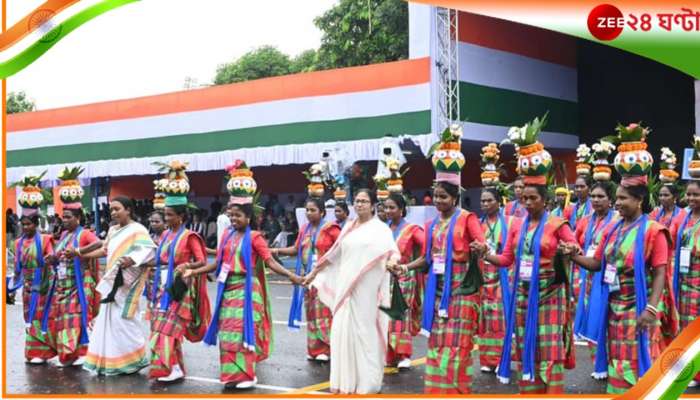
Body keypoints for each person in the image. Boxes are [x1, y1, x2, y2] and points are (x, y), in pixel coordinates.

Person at [566, 123, 677, 394]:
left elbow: (661, 272)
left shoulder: (653, 231)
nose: (616, 203)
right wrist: (574, 255)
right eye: (616, 198)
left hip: (639, 309)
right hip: (612, 307)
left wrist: (651, 310)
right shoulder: (612, 229)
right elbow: (598, 264)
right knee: (618, 365)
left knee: (640, 367)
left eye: (622, 199)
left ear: (639, 200)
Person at [473, 116, 578, 394]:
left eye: (533, 198)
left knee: (549, 352)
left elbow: (574, 247)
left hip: (550, 294)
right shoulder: (517, 225)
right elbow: (506, 260)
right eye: (524, 198)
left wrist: (570, 251)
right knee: (526, 349)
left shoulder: (558, 224)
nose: (528, 203)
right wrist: (486, 253)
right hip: (522, 293)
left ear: (546, 199)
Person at [202, 160, 303, 389]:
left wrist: (292, 276)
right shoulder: (227, 236)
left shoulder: (255, 237)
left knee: (241, 333)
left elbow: (270, 262)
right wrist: (193, 269)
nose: (233, 219)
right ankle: (230, 375)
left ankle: (246, 375)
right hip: (227, 291)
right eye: (231, 215)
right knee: (227, 332)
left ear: (248, 217)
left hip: (248, 291)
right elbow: (217, 263)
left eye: (237, 215)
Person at [304, 189, 400, 394]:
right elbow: (333, 254)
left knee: (365, 334)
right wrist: (314, 272)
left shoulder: (380, 229)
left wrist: (392, 264)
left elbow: (392, 253)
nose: (360, 205)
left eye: (364, 201)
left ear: (374, 205)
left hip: (368, 289)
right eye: (357, 201)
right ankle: (346, 382)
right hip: (345, 288)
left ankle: (368, 382)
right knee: (342, 330)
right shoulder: (348, 227)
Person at [147, 162, 211, 382]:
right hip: (161, 288)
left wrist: (187, 267)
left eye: (169, 215)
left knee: (167, 330)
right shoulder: (164, 236)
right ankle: (174, 367)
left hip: (179, 289)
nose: (166, 219)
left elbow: (202, 261)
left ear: (181, 217)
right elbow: (157, 260)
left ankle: (171, 367)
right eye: (165, 214)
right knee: (160, 328)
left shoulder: (189, 237)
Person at [79, 196, 157, 375]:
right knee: (110, 321)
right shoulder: (113, 230)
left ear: (128, 210)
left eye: (117, 209)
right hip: (111, 279)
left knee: (125, 320)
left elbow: (148, 251)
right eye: (111, 209)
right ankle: (112, 361)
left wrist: (132, 259)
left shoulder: (138, 230)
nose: (113, 213)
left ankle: (134, 359)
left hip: (127, 282)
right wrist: (82, 255)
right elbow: (104, 250)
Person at [44, 169, 103, 367]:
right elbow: (60, 257)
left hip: (79, 284)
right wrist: (52, 258)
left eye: (68, 217)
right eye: (63, 216)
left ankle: (82, 352)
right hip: (63, 284)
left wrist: (78, 252)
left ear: (78, 217)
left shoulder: (84, 233)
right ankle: (69, 353)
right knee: (64, 319)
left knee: (78, 318)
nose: (65, 220)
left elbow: (99, 244)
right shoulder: (63, 236)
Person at [272, 197, 340, 361]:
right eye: (307, 210)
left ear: (322, 212)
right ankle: (315, 349)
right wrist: (276, 251)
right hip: (307, 276)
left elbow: (340, 250)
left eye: (313, 210)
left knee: (323, 312)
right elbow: (296, 249)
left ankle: (327, 349)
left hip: (326, 276)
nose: (309, 213)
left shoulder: (331, 229)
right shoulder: (304, 229)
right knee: (311, 312)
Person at [8, 174, 56, 364]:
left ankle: (41, 353)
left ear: (36, 224)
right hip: (27, 284)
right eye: (23, 224)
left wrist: (51, 259)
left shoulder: (45, 239)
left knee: (40, 315)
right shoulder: (18, 242)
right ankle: (34, 351)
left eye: (28, 224)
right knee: (29, 315)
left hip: (42, 282)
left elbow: (51, 256)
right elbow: (17, 266)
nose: (25, 227)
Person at [572, 181, 618, 366]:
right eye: (593, 196)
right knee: (591, 316)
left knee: (605, 317)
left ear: (610, 200)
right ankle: (598, 363)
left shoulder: (617, 221)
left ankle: (611, 361)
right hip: (589, 274)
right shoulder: (584, 221)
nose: (596, 200)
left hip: (608, 275)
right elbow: (574, 243)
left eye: (601, 196)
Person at [477, 187, 518, 373]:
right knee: (485, 320)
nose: (485, 204)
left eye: (489, 200)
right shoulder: (477, 224)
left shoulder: (512, 222)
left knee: (502, 319)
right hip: (484, 278)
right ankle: (487, 359)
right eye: (482, 201)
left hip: (505, 277)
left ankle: (503, 358)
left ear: (498, 201)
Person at [383, 193, 425, 369]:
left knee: (400, 317)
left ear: (401, 209)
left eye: (392, 207)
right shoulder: (382, 229)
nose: (388, 211)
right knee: (384, 318)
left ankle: (403, 354)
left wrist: (408, 267)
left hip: (403, 279)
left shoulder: (412, 230)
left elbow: (427, 249)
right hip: (383, 279)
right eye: (386, 207)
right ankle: (388, 355)